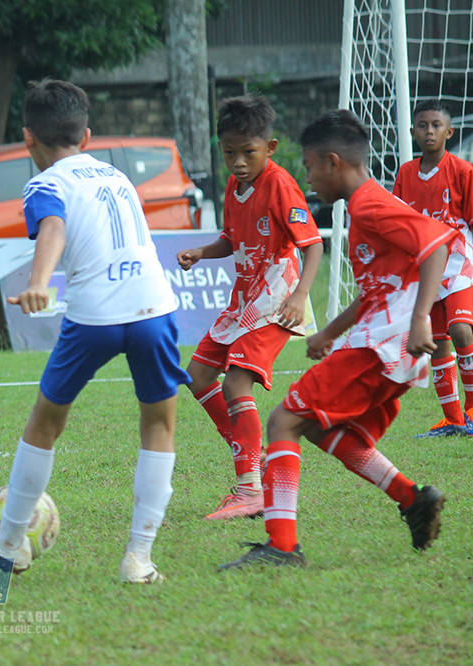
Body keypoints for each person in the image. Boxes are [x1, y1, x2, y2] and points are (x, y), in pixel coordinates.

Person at [0, 79, 190, 584]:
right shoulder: (118, 177)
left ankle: (7, 543)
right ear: (88, 134)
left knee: (46, 422)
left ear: (28, 138)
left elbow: (53, 228)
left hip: (96, 314)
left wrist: (38, 283)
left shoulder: (44, 183)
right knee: (159, 426)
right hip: (153, 308)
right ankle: (138, 560)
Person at [220, 110, 450, 570]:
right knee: (323, 428)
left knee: (283, 422)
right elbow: (378, 289)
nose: (307, 178)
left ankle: (282, 547)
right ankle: (412, 499)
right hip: (383, 342)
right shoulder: (363, 211)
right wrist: (329, 331)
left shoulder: (369, 204)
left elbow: (436, 245)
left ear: (332, 162)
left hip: (383, 344)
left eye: (307, 167)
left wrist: (422, 318)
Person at [177, 95, 324, 520]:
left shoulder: (280, 184)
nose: (238, 162)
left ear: (270, 148)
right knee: (199, 375)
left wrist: (298, 298)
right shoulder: (233, 186)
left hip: (277, 301)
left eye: (249, 153)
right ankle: (254, 457)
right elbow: (232, 238)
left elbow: (312, 245)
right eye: (229, 153)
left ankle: (250, 489)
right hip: (244, 297)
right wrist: (202, 252)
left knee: (235, 384)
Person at [392, 99, 473, 437]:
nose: (429, 131)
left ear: (449, 132)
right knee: (436, 341)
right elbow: (397, 223)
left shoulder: (463, 172)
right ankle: (453, 419)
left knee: (461, 331)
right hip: (425, 271)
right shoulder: (405, 174)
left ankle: (472, 408)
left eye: (436, 126)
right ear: (413, 131)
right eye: (422, 125)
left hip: (457, 264)